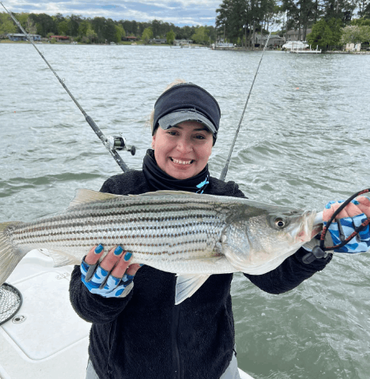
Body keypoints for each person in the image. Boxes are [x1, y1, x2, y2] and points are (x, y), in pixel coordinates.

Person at [69, 81, 370, 379]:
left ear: (212, 144)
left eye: (199, 136)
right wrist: (102, 296)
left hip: (211, 368)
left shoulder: (231, 197)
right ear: (153, 136)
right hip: (118, 370)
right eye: (172, 132)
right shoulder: (119, 192)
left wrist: (317, 244)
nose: (184, 148)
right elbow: (86, 308)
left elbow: (273, 279)